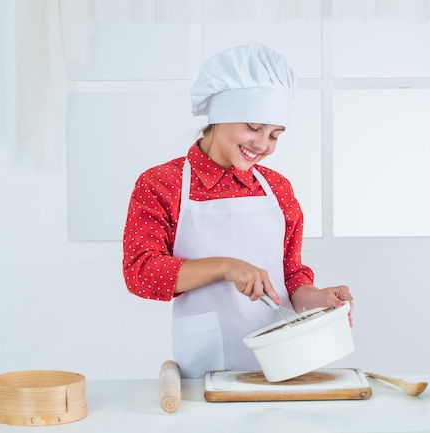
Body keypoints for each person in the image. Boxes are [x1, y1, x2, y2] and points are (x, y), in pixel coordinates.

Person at [122, 42, 353, 378]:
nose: (262, 145)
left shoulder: (278, 188)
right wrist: (226, 267)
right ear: (219, 117)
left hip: (285, 362)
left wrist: (316, 299)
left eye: (275, 135)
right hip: (206, 369)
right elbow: (141, 273)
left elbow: (290, 278)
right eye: (254, 127)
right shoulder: (161, 183)